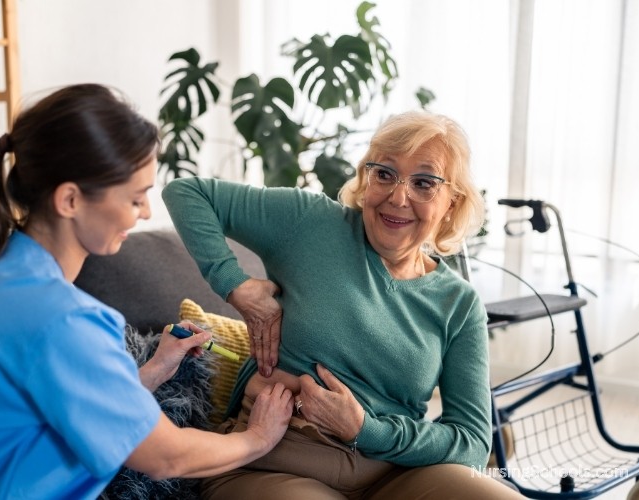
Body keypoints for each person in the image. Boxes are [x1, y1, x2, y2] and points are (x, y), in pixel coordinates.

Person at [0, 84, 293, 498]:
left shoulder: (0, 279)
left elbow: (63, 402)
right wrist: (258, 439)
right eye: (135, 196)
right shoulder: (60, 318)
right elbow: (166, 457)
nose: (144, 212)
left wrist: (152, 372)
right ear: (70, 199)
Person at [162, 110, 525, 499]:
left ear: (451, 203)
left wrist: (365, 430)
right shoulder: (313, 223)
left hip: (395, 473)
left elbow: (471, 444)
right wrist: (235, 285)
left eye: (423, 183)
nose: (398, 197)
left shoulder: (460, 304)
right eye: (384, 174)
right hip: (275, 460)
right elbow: (187, 193)